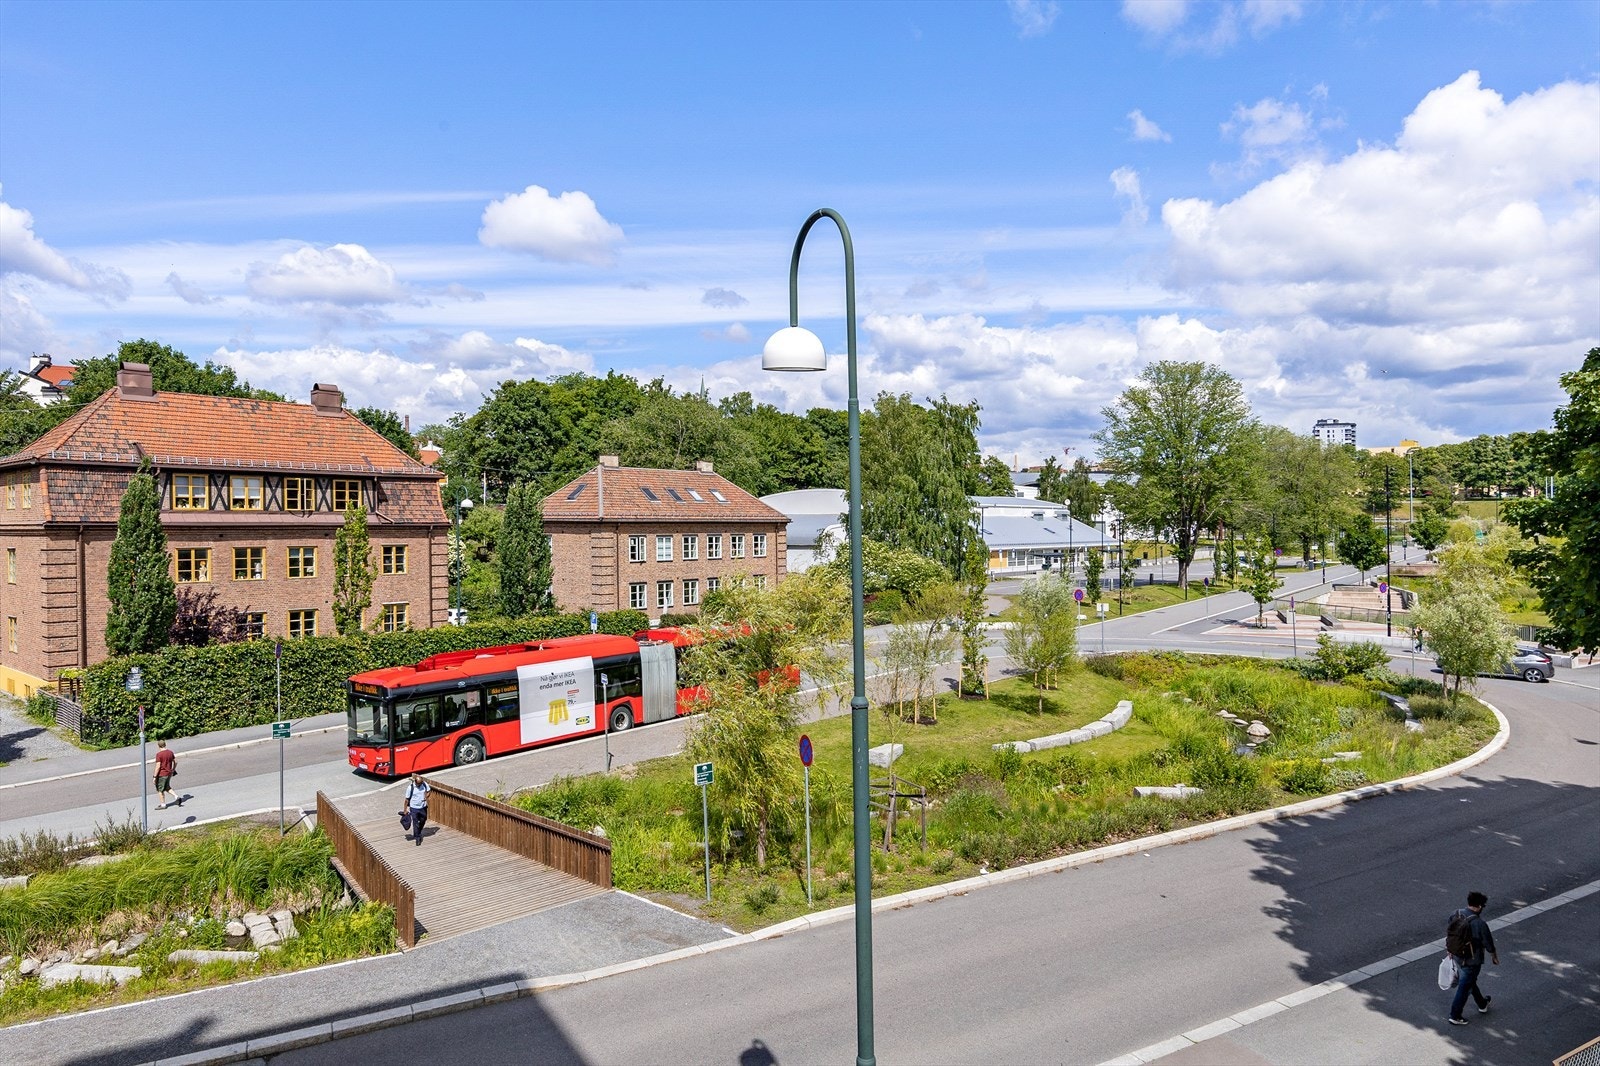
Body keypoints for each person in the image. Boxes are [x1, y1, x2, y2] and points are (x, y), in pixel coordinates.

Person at [1448, 890, 1500, 1026]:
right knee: (1464, 987)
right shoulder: (1479, 924)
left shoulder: (1456, 913)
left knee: (1469, 981)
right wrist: (1494, 956)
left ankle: (1482, 1003)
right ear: (1479, 906)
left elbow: (1450, 932)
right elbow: (1488, 943)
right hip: (1472, 960)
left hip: (1457, 955)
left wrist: (1449, 949)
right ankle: (1455, 1015)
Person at [401, 773, 431, 845]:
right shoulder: (410, 788)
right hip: (414, 808)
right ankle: (417, 838)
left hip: (423, 807)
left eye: (421, 783)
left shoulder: (424, 784)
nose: (420, 785)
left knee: (423, 819)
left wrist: (426, 796)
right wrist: (405, 810)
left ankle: (418, 832)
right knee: (415, 823)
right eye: (419, 784)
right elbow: (406, 800)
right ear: (415, 782)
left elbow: (429, 791)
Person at [153, 739, 180, 810]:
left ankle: (163, 805)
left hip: (162, 774)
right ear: (165, 745)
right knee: (167, 787)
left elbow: (158, 766)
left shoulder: (159, 755)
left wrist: (155, 777)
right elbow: (176, 761)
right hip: (169, 773)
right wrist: (173, 769)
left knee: (160, 789)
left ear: (158, 746)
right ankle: (176, 797)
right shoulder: (170, 752)